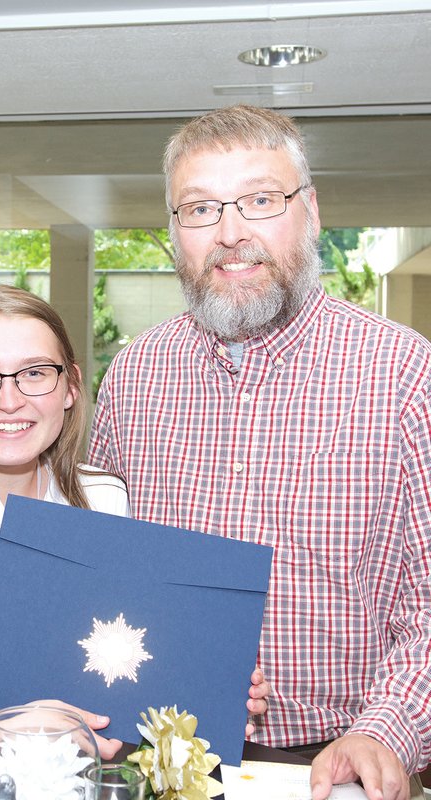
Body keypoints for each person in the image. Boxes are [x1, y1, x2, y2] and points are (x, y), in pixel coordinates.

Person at [88, 104, 431, 800]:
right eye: (200, 208)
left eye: (260, 199)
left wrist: (385, 730)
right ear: (172, 233)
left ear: (310, 211)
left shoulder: (405, 376)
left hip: (339, 763)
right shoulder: (134, 376)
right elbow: (106, 574)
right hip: (159, 758)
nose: (231, 232)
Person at [0, 283, 269, 758]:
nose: (9, 400)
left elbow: (121, 643)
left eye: (35, 373)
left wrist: (208, 679)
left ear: (71, 386)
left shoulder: (105, 497)